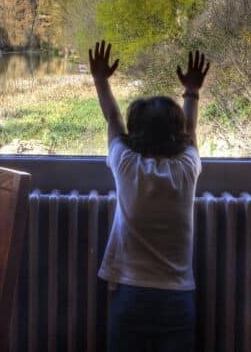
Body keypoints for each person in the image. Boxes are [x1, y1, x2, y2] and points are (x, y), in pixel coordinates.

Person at [88, 40, 210, 352]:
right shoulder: (186, 169)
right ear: (178, 135)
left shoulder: (127, 165)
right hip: (178, 297)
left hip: (130, 295)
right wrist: (191, 91)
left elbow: (114, 121)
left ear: (136, 134)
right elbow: (192, 131)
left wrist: (100, 79)